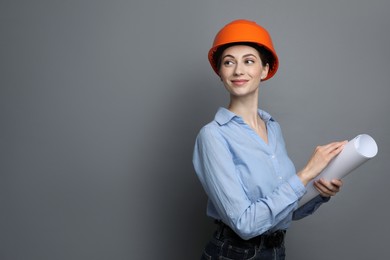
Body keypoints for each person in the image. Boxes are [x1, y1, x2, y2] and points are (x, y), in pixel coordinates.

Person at [192, 19, 347, 260]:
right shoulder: (213, 135)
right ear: (220, 72)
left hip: (275, 252)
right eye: (228, 62)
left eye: (249, 61)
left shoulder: (273, 129)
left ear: (264, 70)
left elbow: (283, 212)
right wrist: (305, 173)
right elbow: (245, 224)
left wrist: (319, 191)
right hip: (234, 254)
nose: (238, 71)